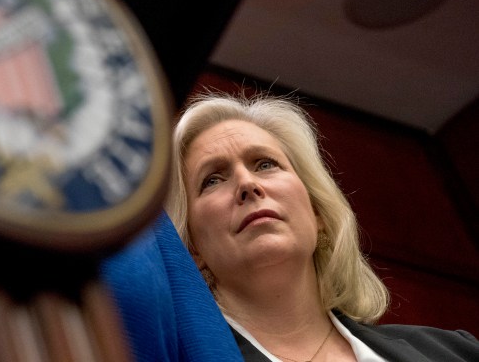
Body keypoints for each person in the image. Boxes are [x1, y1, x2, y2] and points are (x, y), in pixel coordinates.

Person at [161, 90, 479, 361]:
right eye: (212, 179)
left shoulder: (457, 352)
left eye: (265, 164)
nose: (247, 183)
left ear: (317, 212)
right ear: (191, 248)